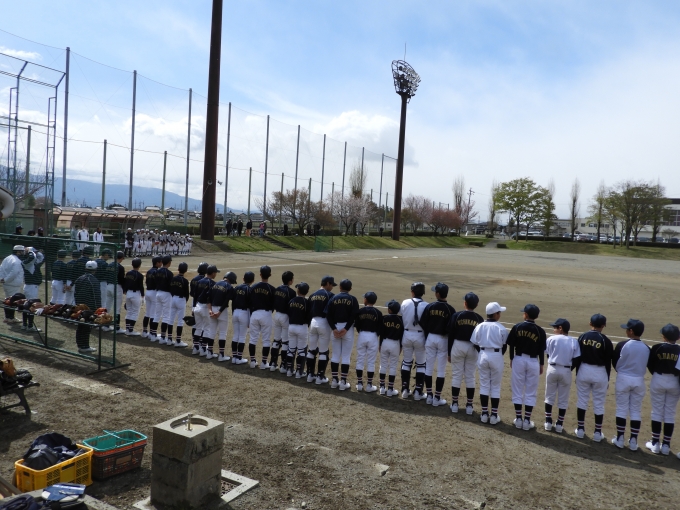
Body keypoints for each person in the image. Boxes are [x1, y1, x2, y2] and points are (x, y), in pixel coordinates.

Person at [573, 313, 613, 442]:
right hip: (600, 372)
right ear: (603, 325)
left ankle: (580, 429)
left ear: (590, 323)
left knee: (582, 400)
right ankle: (597, 433)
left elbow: (577, 357)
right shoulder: (605, 340)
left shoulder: (582, 337)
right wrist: (607, 378)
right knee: (599, 403)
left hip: (584, 369)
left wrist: (578, 373)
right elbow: (608, 362)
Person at [611, 319, 650, 450]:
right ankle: (633, 441)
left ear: (631, 331)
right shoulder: (646, 348)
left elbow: (615, 361)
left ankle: (620, 439)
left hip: (623, 378)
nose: (626, 331)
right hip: (639, 380)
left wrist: (621, 370)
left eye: (627, 329)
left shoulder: (622, 345)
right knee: (635, 410)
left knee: (621, 409)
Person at [507, 304, 547, 431]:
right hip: (533, 361)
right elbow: (541, 350)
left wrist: (512, 358)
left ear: (526, 314)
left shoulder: (517, 326)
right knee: (531, 391)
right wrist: (541, 364)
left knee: (517, 388)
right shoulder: (540, 331)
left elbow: (511, 345)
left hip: (518, 359)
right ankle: (527, 421)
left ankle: (519, 419)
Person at [470, 302, 509, 425]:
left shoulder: (479, 326)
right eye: (499, 312)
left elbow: (474, 343)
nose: (500, 314)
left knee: (484, 385)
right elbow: (505, 346)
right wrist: (498, 355)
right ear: (495, 314)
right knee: (495, 386)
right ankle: (494, 416)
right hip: (496, 356)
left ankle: (484, 414)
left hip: (483, 355)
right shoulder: (501, 328)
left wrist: (482, 352)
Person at [646, 324, 680, 455]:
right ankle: (666, 445)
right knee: (670, 413)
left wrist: (657, 374)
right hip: (674, 381)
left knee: (657, 411)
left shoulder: (657, 348)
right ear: (678, 337)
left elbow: (650, 364)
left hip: (658, 379)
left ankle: (655, 443)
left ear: (663, 336)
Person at [448, 292, 484, 414]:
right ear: (476, 305)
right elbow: (480, 338)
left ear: (465, 303)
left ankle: (454, 404)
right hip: (473, 347)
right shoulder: (479, 319)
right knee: (470, 376)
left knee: (456, 375)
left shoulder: (457, 315)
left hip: (457, 345)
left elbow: (451, 334)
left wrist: (449, 352)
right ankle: (469, 406)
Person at [421, 283, 455, 406]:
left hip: (430, 337)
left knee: (429, 368)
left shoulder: (430, 306)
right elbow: (451, 328)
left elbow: (423, 322)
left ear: (438, 294)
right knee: (441, 370)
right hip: (443, 339)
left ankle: (429, 395)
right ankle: (437, 398)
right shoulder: (450, 309)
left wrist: (429, 333)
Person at [544, 318, 580, 433]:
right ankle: (559, 424)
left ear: (560, 328)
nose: (553, 329)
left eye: (555, 327)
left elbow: (547, 354)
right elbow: (576, 359)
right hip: (566, 370)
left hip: (552, 369)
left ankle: (548, 421)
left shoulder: (551, 339)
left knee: (549, 395)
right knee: (563, 398)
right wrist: (568, 369)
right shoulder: (574, 341)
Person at [324, 278, 359, 390]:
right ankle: (343, 382)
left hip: (335, 327)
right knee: (345, 356)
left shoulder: (333, 298)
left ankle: (334, 381)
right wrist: (346, 328)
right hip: (347, 329)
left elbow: (328, 315)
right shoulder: (353, 299)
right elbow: (354, 316)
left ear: (340, 287)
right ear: (350, 288)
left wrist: (334, 328)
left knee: (335, 355)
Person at [400, 282, 428, 400]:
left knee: (406, 362)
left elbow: (401, 318)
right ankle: (418, 391)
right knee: (421, 364)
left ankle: (404, 390)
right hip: (420, 335)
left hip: (406, 334)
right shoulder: (427, 305)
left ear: (412, 292)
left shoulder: (405, 303)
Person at [306, 276, 336, 384]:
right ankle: (320, 377)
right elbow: (332, 312)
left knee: (311, 350)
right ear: (327, 283)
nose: (332, 287)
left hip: (313, 322)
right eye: (331, 285)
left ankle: (310, 375)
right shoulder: (330, 295)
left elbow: (308, 311)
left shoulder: (312, 295)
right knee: (323, 351)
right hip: (324, 323)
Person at [248, 265, 276, 369]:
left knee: (253, 339)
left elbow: (249, 301)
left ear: (260, 274)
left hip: (254, 314)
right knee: (266, 340)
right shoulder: (272, 289)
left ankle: (252, 361)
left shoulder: (253, 287)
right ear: (270, 275)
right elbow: (274, 304)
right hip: (266, 314)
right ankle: (264, 362)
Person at [354, 291, 382, 393]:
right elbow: (380, 327)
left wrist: (361, 332)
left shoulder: (360, 311)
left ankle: (359, 384)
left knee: (360, 359)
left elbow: (357, 324)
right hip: (373, 336)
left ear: (366, 300)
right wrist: (375, 335)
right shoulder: (378, 313)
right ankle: (369, 385)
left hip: (362, 334)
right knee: (371, 361)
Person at [271, 271, 296, 372]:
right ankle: (283, 365)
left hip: (276, 315)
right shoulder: (292, 292)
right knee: (285, 342)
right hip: (285, 316)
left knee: (276, 340)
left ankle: (273, 363)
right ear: (290, 281)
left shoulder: (277, 289)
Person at [207, 271, 235, 361]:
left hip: (212, 309)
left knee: (212, 331)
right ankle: (221, 355)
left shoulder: (215, 284)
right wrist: (219, 312)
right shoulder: (229, 287)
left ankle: (209, 353)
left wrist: (210, 310)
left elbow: (208, 298)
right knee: (223, 332)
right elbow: (226, 301)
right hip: (222, 311)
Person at [74, 261, 101, 354]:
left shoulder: (79, 278)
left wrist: (78, 305)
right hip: (90, 308)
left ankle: (80, 345)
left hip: (80, 307)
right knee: (86, 327)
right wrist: (98, 309)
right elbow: (96, 296)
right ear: (95, 269)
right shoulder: (94, 280)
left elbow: (75, 293)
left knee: (80, 326)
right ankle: (84, 346)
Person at [194, 265, 219, 358]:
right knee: (207, 329)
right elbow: (211, 297)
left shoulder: (199, 281)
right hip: (205, 307)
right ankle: (203, 349)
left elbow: (195, 295)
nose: (216, 274)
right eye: (215, 273)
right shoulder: (212, 283)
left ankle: (195, 348)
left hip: (197, 306)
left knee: (198, 328)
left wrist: (193, 307)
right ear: (212, 273)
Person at [287, 282, 312, 377]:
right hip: (302, 327)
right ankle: (299, 372)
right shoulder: (307, 302)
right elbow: (309, 316)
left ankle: (289, 371)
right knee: (301, 351)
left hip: (291, 326)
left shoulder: (292, 300)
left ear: (298, 290)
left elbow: (289, 313)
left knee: (291, 349)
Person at [379, 300, 404, 396]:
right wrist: (401, 346)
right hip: (395, 344)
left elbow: (381, 333)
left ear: (389, 310)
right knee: (393, 366)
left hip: (385, 342)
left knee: (383, 365)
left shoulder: (384, 318)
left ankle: (382, 387)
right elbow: (402, 334)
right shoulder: (401, 320)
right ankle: (390, 389)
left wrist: (380, 344)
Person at [230, 271, 254, 363]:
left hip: (235, 311)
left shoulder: (237, 287)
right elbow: (251, 305)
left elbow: (233, 302)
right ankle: (239, 358)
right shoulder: (249, 289)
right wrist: (250, 319)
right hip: (244, 313)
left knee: (235, 335)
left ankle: (234, 357)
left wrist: (233, 312)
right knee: (242, 336)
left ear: (243, 279)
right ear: (252, 280)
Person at [0, 245, 26, 324]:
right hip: (13, 284)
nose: (23, 253)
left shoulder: (7, 258)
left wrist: (2, 279)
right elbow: (13, 274)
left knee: (7, 300)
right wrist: (6, 279)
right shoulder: (17, 261)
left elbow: (1, 268)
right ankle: (11, 318)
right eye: (22, 252)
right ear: (18, 252)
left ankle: (7, 317)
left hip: (6, 283)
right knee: (13, 301)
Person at [168, 262, 190, 348]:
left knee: (171, 319)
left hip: (173, 298)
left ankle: (169, 339)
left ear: (178, 269)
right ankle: (178, 341)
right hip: (181, 299)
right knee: (180, 320)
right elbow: (186, 293)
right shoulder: (185, 281)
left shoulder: (173, 278)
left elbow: (170, 289)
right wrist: (185, 300)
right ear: (186, 270)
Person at [22, 247, 44, 332]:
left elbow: (42, 258)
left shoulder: (31, 263)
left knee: (26, 305)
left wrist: (35, 252)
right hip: (31, 287)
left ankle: (24, 325)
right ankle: (30, 326)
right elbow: (32, 257)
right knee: (31, 305)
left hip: (30, 286)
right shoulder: (27, 263)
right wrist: (31, 251)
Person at [189, 262, 209, 351]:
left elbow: (192, 293)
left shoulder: (194, 279)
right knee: (203, 325)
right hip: (201, 304)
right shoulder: (205, 280)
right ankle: (201, 343)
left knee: (195, 325)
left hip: (194, 303)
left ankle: (195, 343)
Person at [154, 255, 174, 345]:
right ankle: (162, 337)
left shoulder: (157, 271)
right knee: (166, 316)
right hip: (166, 294)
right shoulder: (169, 273)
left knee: (157, 314)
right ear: (169, 263)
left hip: (158, 293)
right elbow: (171, 286)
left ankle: (153, 335)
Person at [123, 258, 145, 336]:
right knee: (135, 312)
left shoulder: (128, 273)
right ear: (139, 265)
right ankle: (130, 330)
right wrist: (143, 295)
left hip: (128, 293)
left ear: (132, 264)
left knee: (129, 311)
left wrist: (124, 290)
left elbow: (125, 283)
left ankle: (127, 329)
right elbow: (141, 286)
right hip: (136, 294)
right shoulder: (140, 275)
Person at [142, 256, 162, 339]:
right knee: (153, 314)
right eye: (160, 262)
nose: (161, 263)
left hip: (148, 291)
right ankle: (152, 333)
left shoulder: (149, 271)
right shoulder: (157, 272)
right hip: (154, 292)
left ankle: (144, 331)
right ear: (157, 263)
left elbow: (146, 282)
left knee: (147, 313)